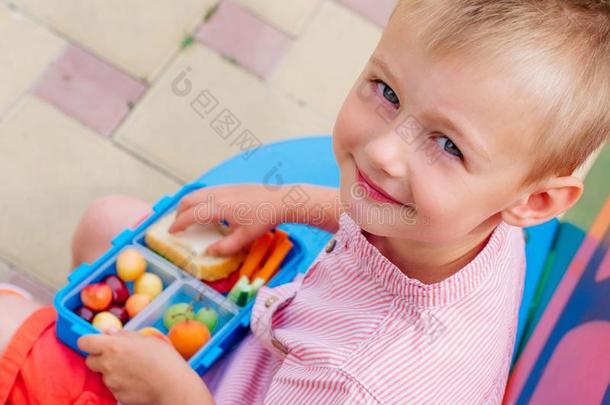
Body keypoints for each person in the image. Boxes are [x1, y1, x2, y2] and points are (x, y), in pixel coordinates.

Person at [2, 0, 609, 403]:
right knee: (107, 223)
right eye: (387, 91)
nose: (382, 155)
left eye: (447, 144)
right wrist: (284, 203)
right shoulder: (484, 217)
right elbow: (385, 216)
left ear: (536, 201)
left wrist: (172, 394)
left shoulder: (360, 383)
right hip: (265, 352)